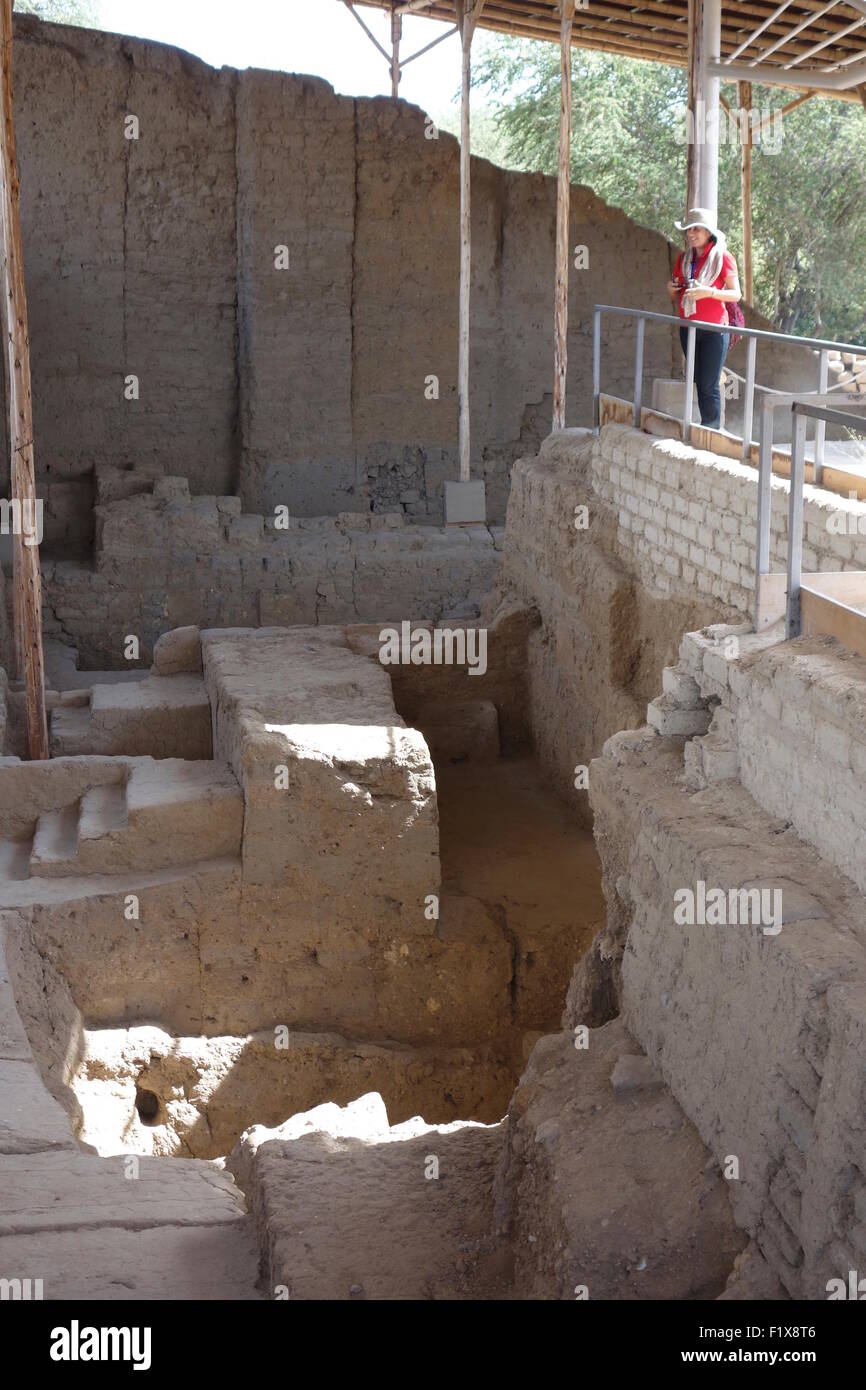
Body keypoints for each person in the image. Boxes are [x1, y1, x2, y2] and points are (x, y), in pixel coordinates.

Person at [667, 207, 742, 430]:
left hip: (714, 330)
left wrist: (707, 292)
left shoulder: (723, 257)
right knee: (700, 381)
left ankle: (712, 427)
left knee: (709, 384)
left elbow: (736, 294)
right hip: (688, 327)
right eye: (689, 229)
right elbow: (676, 292)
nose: (691, 234)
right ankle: (706, 426)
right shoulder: (684, 258)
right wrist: (670, 288)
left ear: (709, 232)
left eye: (696, 229)